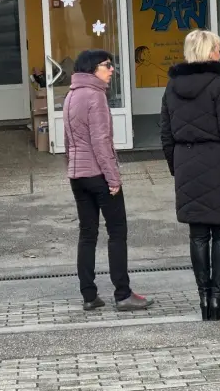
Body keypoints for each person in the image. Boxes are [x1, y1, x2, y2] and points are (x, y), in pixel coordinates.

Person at [161, 29, 220, 320]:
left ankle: (204, 301)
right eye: (217, 47)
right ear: (209, 51)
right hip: (219, 161)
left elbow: (165, 132)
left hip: (186, 159)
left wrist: (177, 166)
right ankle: (218, 301)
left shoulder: (171, 86)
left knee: (198, 234)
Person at [64, 49, 153, 312]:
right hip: (98, 175)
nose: (111, 69)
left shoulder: (70, 96)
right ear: (93, 69)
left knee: (87, 233)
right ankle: (123, 294)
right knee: (117, 233)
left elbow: (69, 141)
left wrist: (73, 167)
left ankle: (89, 295)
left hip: (77, 176)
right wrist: (113, 178)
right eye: (107, 65)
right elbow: (101, 142)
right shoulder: (96, 97)